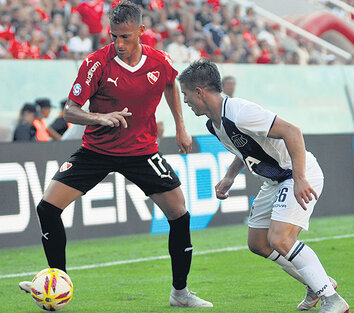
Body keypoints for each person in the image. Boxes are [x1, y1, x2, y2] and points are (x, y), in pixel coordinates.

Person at [19, 1, 213, 308]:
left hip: (141, 151)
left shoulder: (159, 60)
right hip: (96, 150)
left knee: (180, 213)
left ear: (141, 32)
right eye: (114, 37)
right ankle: (56, 284)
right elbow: (70, 110)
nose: (119, 44)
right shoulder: (95, 63)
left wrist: (181, 127)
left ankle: (180, 293)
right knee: (47, 208)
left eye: (125, 36)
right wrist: (99, 118)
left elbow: (170, 85)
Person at [178, 60, 349, 313]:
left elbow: (293, 132)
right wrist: (229, 176)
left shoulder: (239, 111)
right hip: (274, 181)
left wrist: (300, 178)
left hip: (297, 173)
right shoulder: (215, 123)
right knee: (259, 243)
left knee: (280, 239)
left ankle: (333, 300)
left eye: (186, 94)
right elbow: (244, 147)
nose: (185, 101)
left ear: (199, 92)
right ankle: (317, 284)